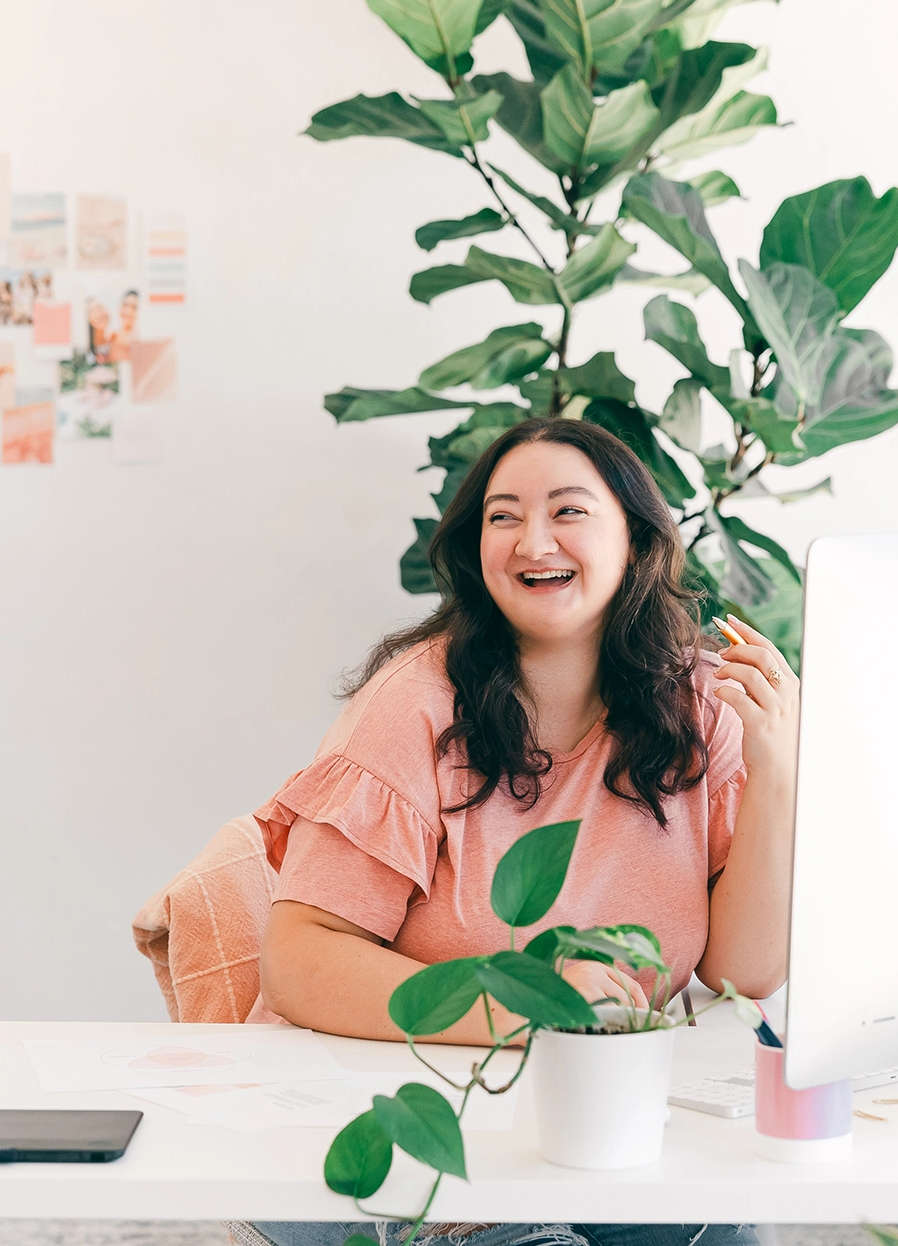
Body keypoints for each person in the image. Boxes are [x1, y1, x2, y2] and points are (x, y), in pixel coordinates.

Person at [253, 418, 799, 1246]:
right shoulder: (415, 705)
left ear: (637, 539)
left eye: (567, 510)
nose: (530, 539)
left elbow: (742, 971)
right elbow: (299, 959)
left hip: (598, 1113)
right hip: (406, 1117)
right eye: (501, 516)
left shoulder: (697, 706)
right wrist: (528, 1004)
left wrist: (778, 769)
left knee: (718, 1230)